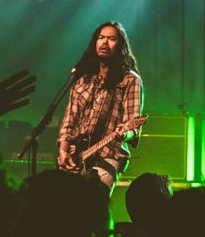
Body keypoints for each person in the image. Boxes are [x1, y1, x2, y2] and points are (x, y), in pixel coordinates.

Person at [57, 22, 144, 192]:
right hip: (78, 157)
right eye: (101, 38)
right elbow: (69, 121)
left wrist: (124, 133)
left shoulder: (129, 80)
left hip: (108, 157)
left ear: (120, 46)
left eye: (111, 39)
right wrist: (63, 152)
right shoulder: (83, 79)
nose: (105, 42)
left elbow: (134, 125)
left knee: (92, 207)